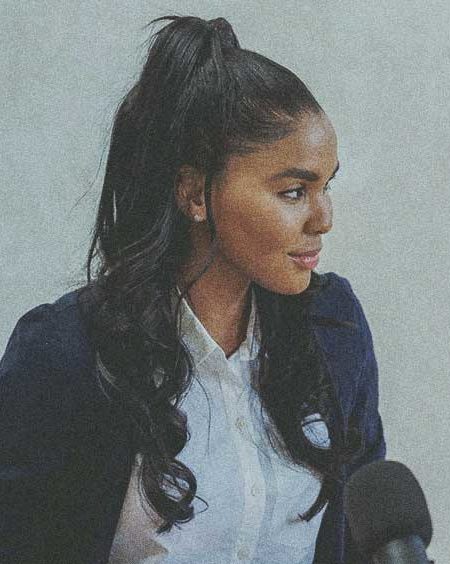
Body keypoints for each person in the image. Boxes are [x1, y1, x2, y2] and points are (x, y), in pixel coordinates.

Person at [0, 16, 384, 563]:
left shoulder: (333, 330)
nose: (323, 219)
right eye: (294, 191)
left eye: (327, 186)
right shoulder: (68, 352)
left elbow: (363, 540)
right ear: (195, 193)